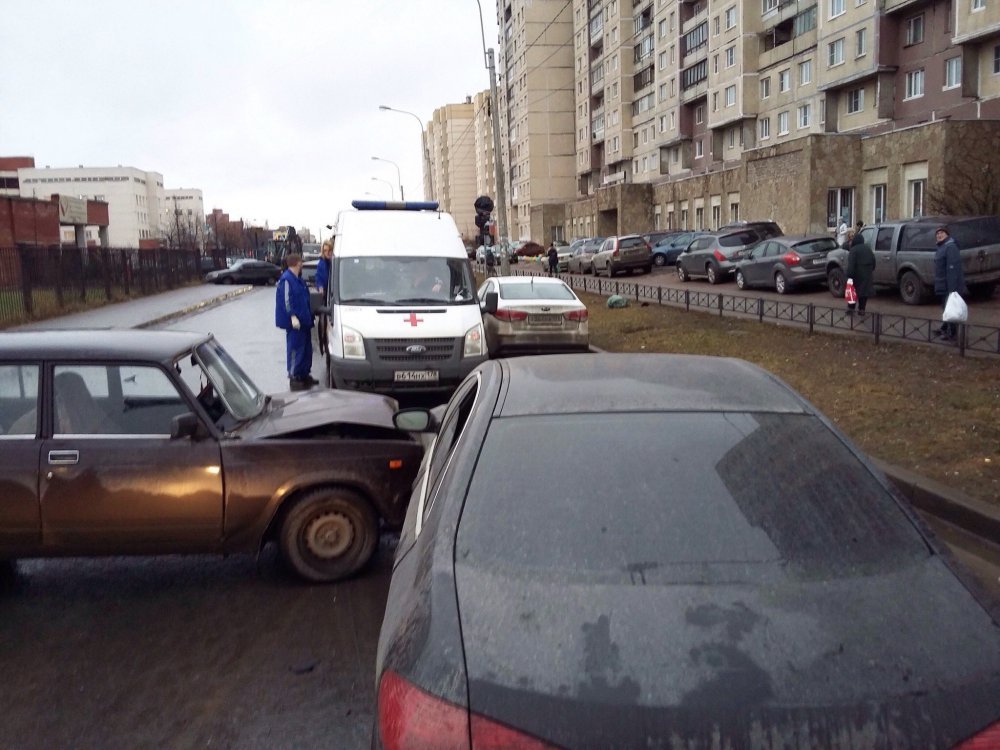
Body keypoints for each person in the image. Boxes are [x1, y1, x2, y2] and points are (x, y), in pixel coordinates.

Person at [274, 253, 317, 390]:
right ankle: (293, 375)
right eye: (301, 262)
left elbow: (304, 299)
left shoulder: (298, 279)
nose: (302, 264)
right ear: (297, 263)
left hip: (304, 321)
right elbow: (286, 301)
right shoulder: (286, 279)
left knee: (306, 349)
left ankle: (304, 374)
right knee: (295, 349)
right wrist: (292, 316)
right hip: (295, 322)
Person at [933, 224, 967, 341]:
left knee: (951, 307)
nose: (939, 235)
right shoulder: (942, 247)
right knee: (945, 307)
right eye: (937, 234)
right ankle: (945, 327)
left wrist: (952, 289)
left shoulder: (950, 247)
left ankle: (952, 333)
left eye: (942, 233)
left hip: (950, 285)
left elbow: (952, 269)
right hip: (943, 283)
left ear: (947, 235)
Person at [846, 232, 876, 315]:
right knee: (864, 293)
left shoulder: (853, 250)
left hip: (856, 275)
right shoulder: (868, 249)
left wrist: (849, 275)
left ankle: (851, 308)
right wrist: (869, 271)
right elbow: (874, 262)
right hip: (867, 275)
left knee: (852, 292)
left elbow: (851, 264)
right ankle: (862, 309)